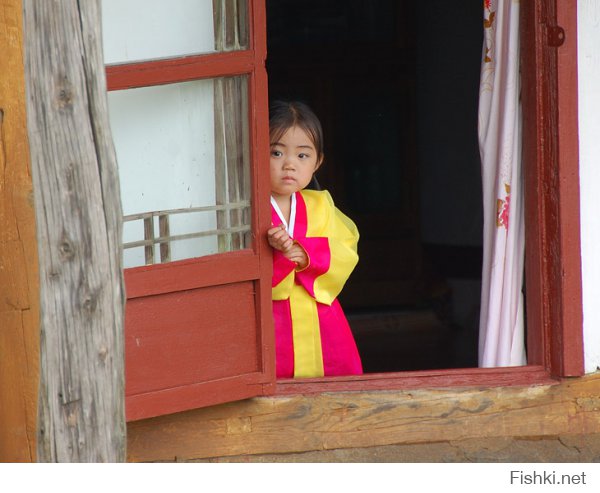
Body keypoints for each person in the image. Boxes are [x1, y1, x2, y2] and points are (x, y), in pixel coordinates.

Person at [268, 100, 363, 378]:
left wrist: (305, 253)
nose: (289, 165)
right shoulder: (248, 210)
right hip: (273, 319)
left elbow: (346, 249)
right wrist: (271, 253)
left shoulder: (321, 204)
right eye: (276, 152)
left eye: (302, 156)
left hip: (321, 317)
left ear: (318, 162)